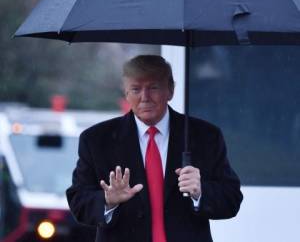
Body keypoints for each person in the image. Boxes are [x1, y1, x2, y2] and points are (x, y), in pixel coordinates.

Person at [66, 55, 243, 242]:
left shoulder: (205, 136)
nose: (145, 97)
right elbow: (78, 202)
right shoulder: (96, 140)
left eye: (153, 88)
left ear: (170, 90)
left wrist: (200, 192)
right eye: (136, 89)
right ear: (126, 93)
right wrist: (108, 200)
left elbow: (231, 199)